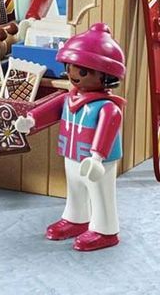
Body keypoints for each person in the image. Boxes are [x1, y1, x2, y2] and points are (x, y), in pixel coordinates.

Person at [14, 23, 125, 252]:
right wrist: (31, 121)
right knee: (75, 189)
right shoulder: (70, 99)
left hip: (96, 163)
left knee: (100, 194)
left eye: (83, 72)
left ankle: (105, 230)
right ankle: (76, 219)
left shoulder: (107, 107)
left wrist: (97, 158)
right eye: (71, 68)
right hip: (72, 155)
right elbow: (48, 111)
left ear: (105, 76)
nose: (74, 76)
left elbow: (106, 132)